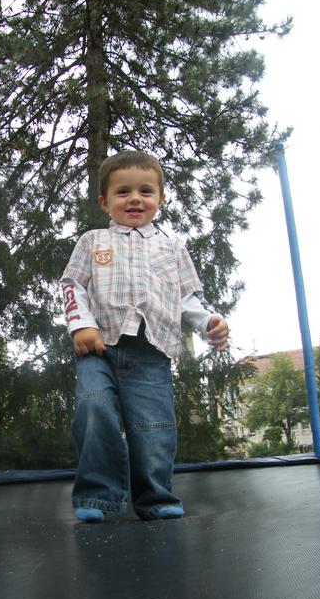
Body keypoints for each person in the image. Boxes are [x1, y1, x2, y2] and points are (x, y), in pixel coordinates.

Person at [60, 150, 229, 523]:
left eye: (145, 191)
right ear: (105, 201)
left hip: (152, 350)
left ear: (160, 198)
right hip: (99, 347)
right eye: (123, 192)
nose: (134, 199)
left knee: (154, 425)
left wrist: (209, 321)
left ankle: (155, 497)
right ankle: (97, 496)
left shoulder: (172, 247)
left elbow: (189, 297)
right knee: (93, 408)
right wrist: (81, 324)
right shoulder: (93, 241)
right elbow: (73, 285)